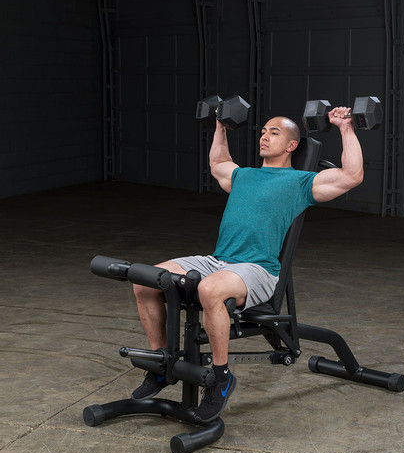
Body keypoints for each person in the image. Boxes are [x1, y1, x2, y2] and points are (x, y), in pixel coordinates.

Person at [131, 106, 363, 422]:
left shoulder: (300, 182)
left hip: (257, 269)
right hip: (217, 260)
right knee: (145, 278)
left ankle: (221, 378)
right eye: (263, 131)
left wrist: (345, 128)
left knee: (209, 290)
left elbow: (352, 176)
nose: (264, 136)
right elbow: (217, 162)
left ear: (292, 145)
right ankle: (161, 364)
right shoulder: (244, 175)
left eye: (274, 132)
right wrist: (221, 126)